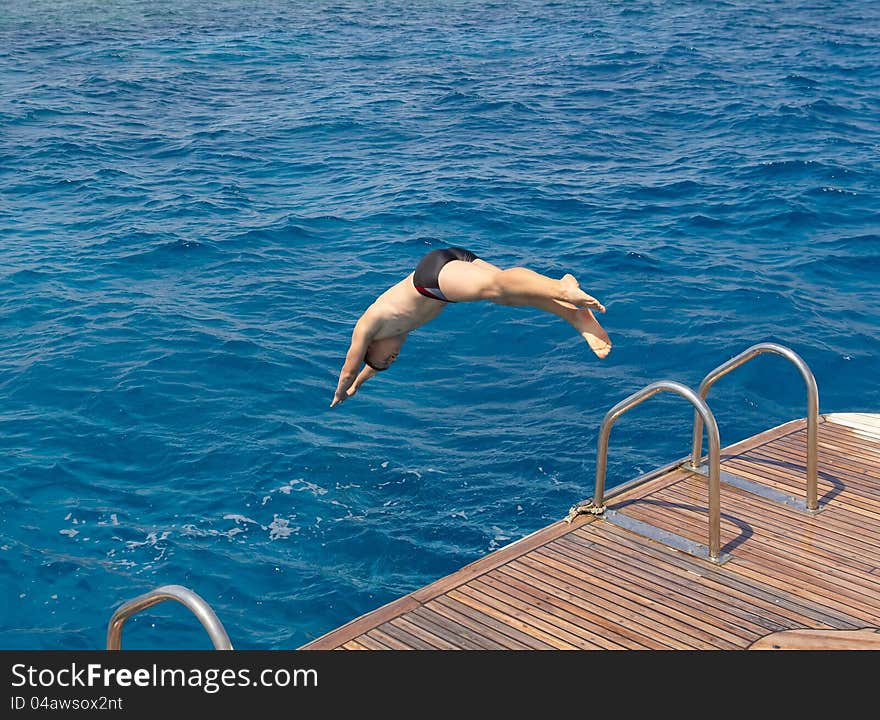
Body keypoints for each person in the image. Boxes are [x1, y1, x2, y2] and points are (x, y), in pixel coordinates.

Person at [331, 246, 611, 407]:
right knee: (508, 295)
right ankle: (574, 315)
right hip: (447, 273)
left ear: (372, 346)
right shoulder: (396, 333)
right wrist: (359, 386)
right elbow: (369, 368)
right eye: (392, 362)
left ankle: (560, 287)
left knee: (498, 288)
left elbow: (350, 367)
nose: (393, 358)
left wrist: (342, 391)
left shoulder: (369, 324)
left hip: (431, 279)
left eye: (386, 358)